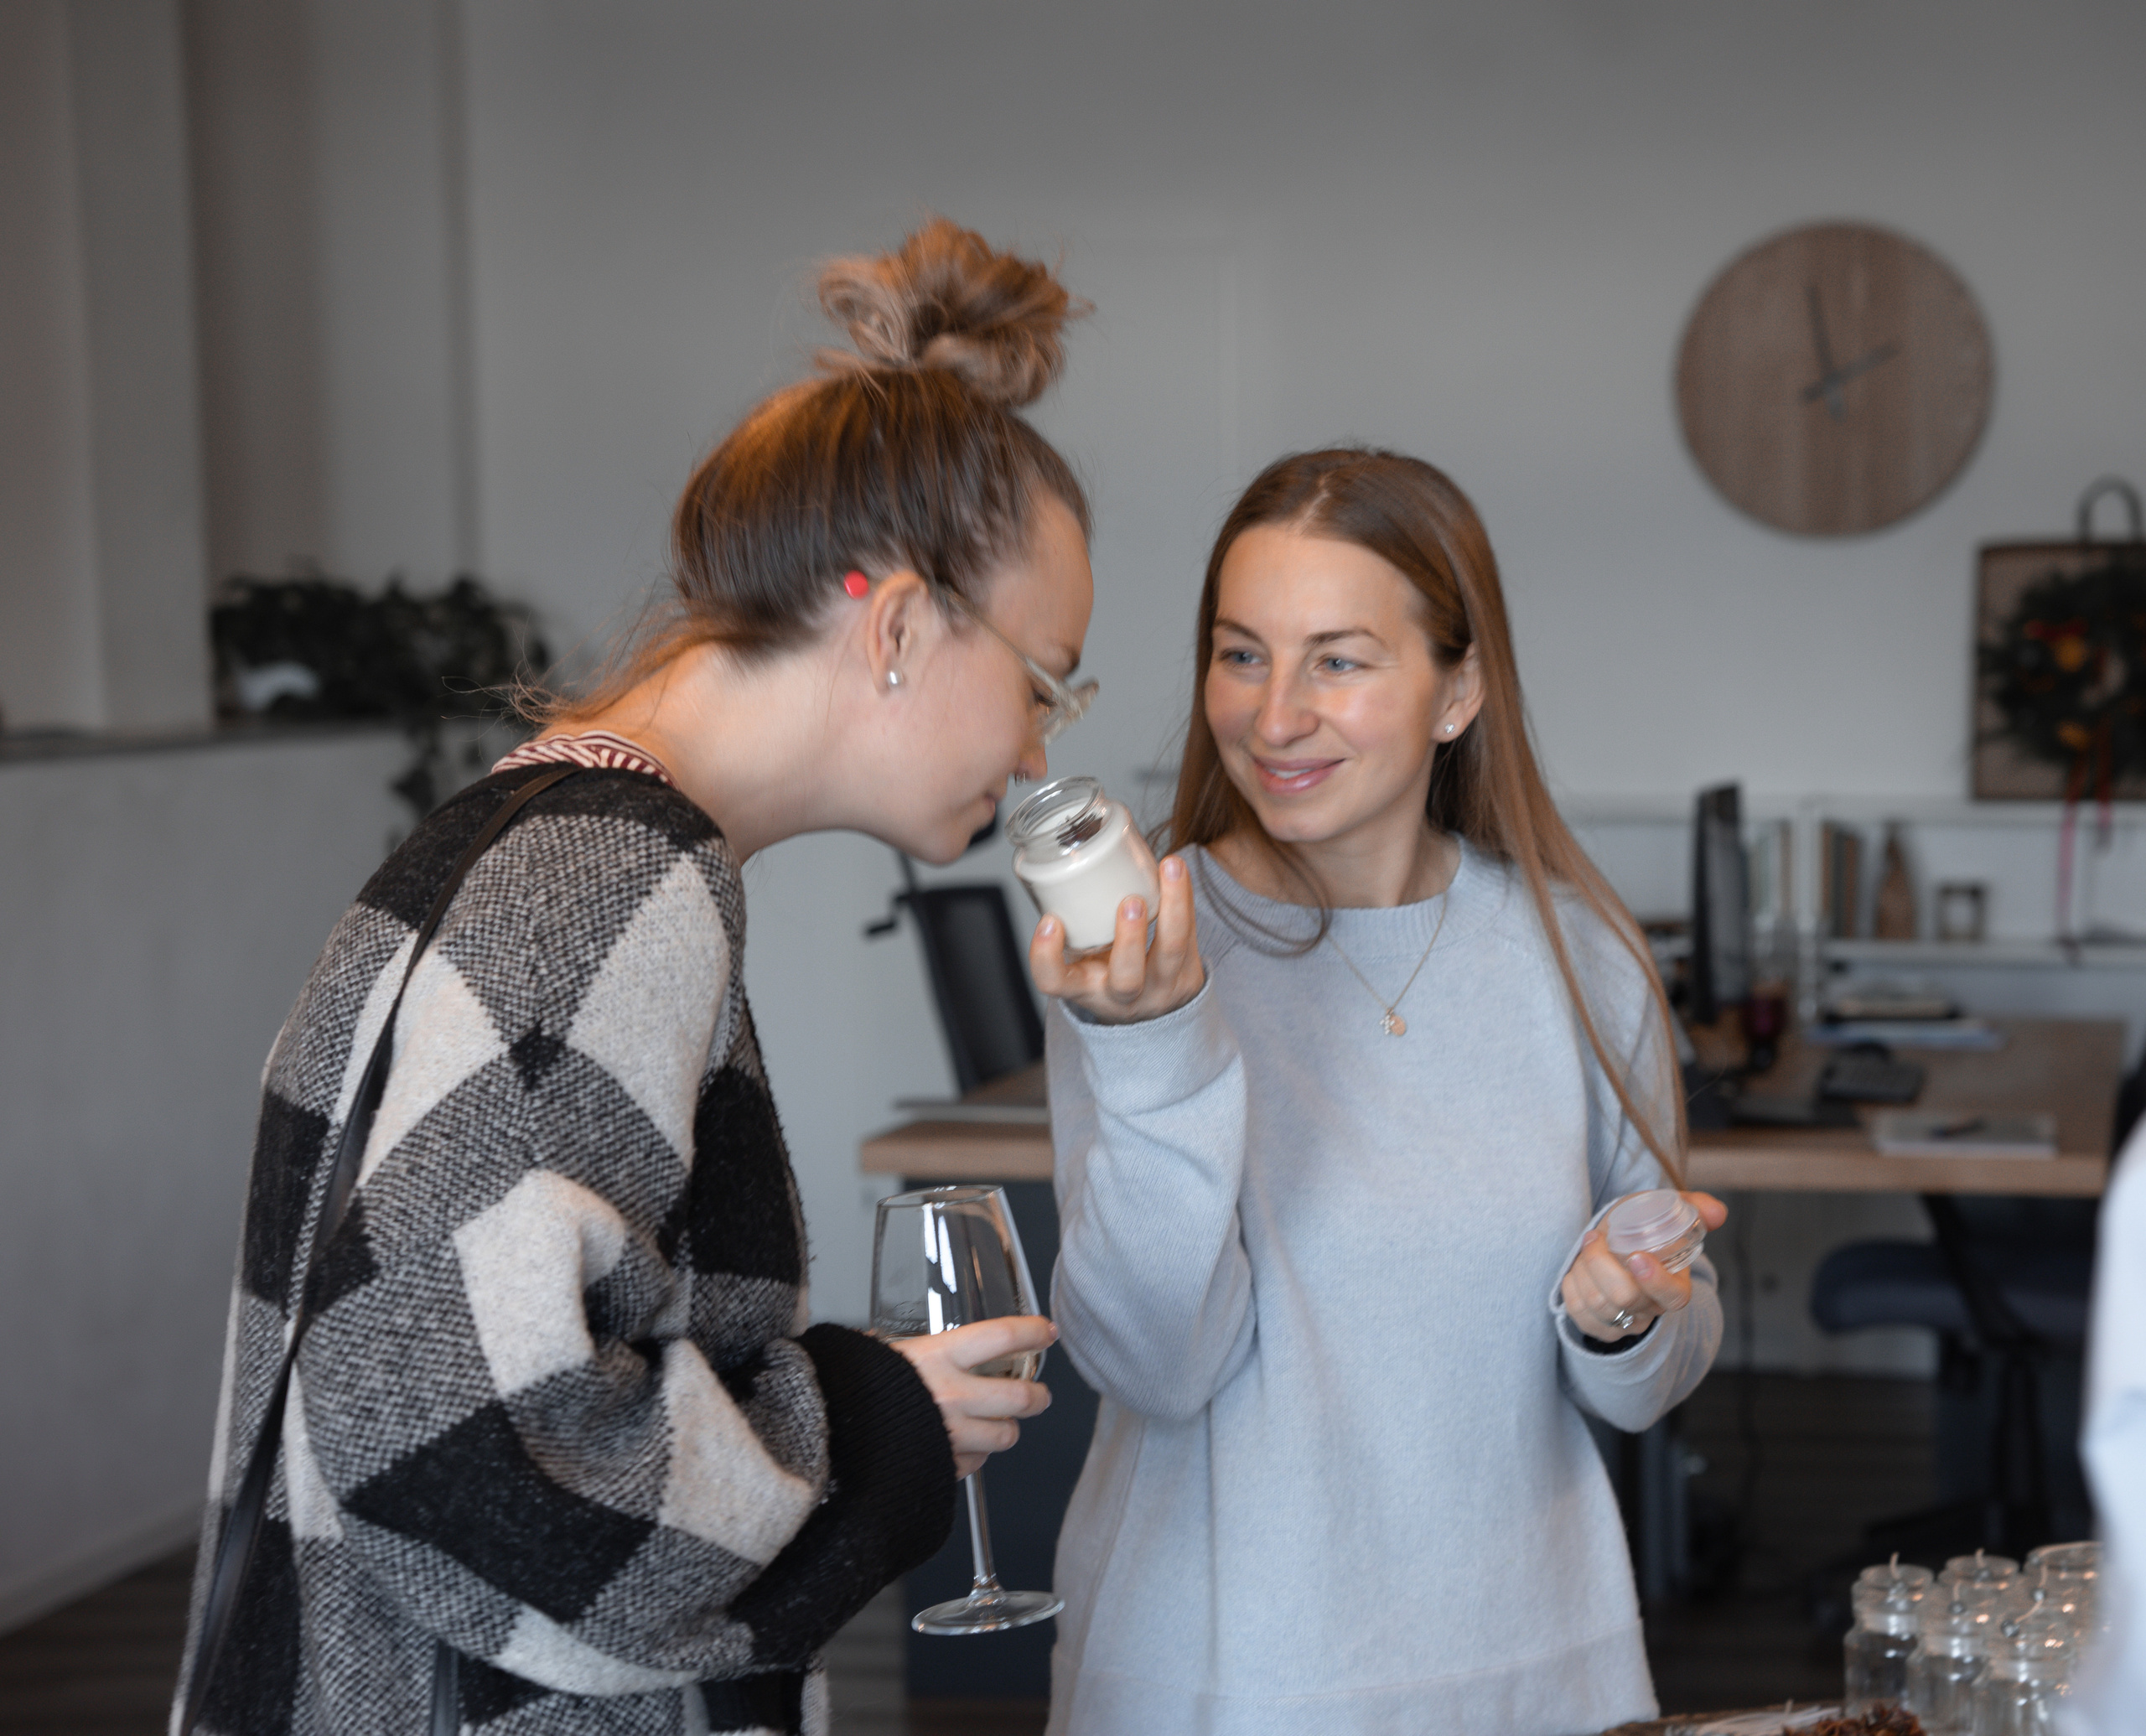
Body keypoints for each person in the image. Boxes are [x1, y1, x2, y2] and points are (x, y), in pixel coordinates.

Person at [173, 220, 1089, 1736]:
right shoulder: (612, 876)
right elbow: (435, 1410)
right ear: (900, 625)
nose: (1043, 750)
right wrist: (875, 1428)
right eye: (1046, 680)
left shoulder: (538, 833)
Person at [1029, 448, 1727, 1734]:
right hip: (1231, 1685)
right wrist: (1151, 1041)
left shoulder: (1579, 954)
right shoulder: (1146, 950)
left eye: (1338, 661)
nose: (1275, 716)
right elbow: (1151, 1366)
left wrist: (1625, 1319)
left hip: (1533, 1675)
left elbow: (1659, 1361)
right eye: (1242, 656)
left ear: (1457, 691)